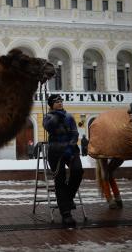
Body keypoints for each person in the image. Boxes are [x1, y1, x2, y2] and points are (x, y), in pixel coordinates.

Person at [43, 94, 84, 227]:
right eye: (56, 102)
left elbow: (75, 133)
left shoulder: (69, 116)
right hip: (55, 152)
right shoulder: (48, 117)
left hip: (70, 150)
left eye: (61, 101)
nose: (60, 103)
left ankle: (67, 199)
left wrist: (71, 145)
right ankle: (66, 214)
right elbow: (49, 127)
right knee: (59, 181)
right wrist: (56, 116)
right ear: (51, 105)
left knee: (78, 171)